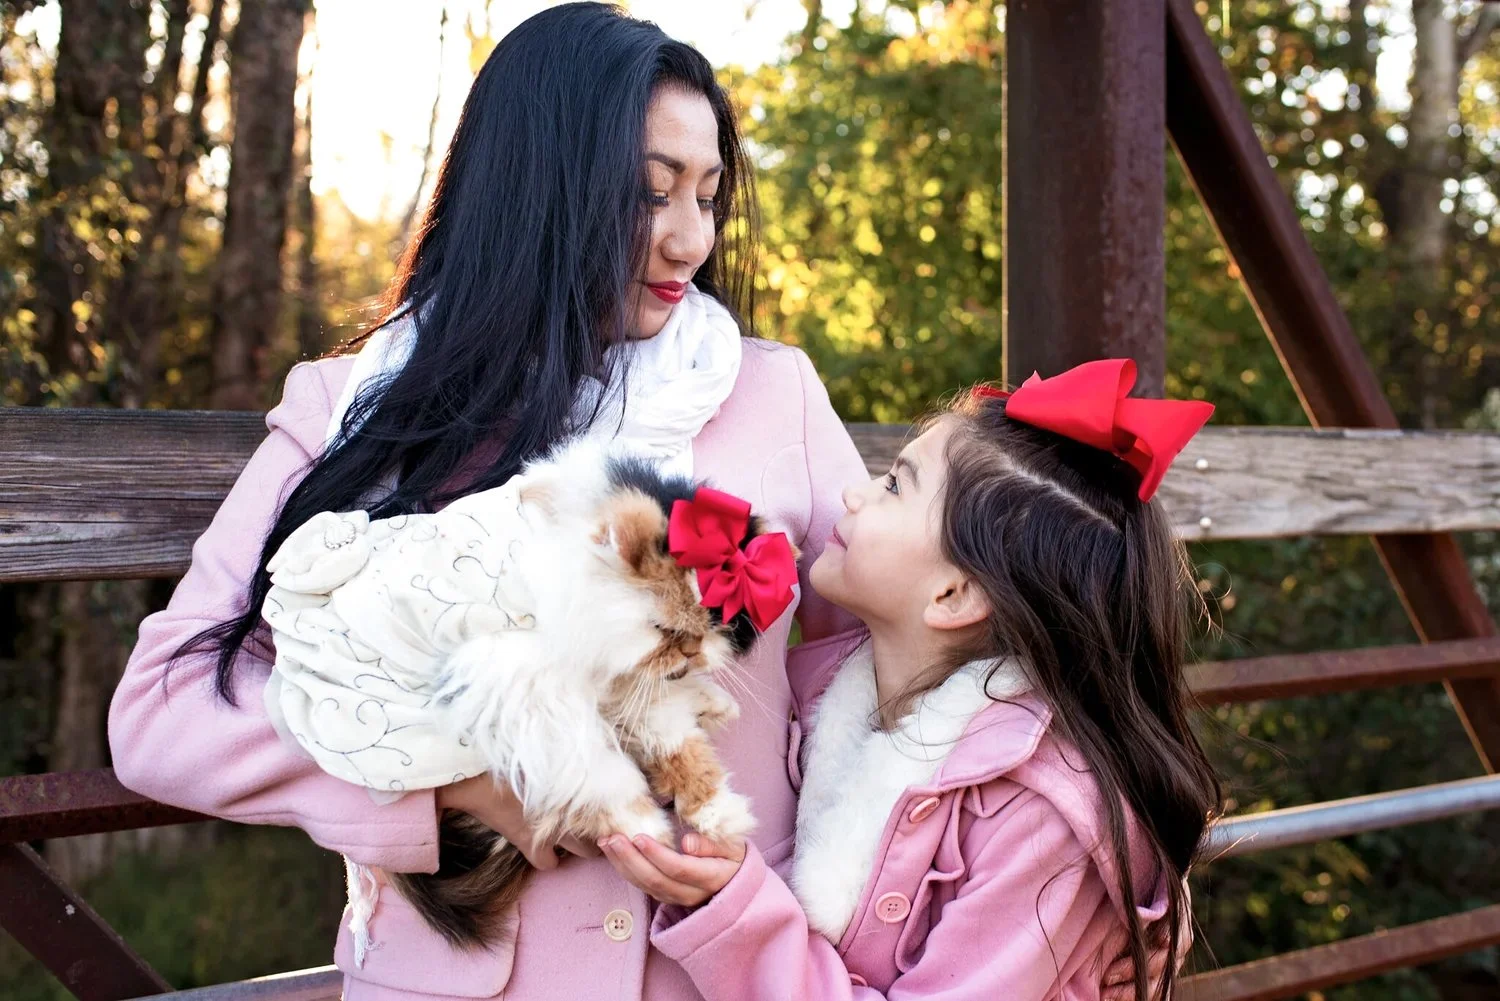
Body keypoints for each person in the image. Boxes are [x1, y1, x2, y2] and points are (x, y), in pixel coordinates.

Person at [108, 4, 1160, 998]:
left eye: (708, 194)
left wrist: (1072, 847)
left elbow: (932, 638)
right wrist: (448, 784)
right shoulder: (357, 407)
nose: (691, 240)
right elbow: (164, 715)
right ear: (538, 188)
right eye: (651, 193)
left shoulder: (771, 392)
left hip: (722, 974)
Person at [597, 360, 1222, 1001]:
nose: (852, 494)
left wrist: (738, 917)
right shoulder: (811, 694)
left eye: (895, 485)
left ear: (952, 595)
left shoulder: (1043, 818)